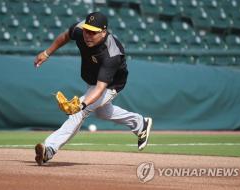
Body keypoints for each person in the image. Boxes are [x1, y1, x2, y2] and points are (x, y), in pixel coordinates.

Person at [33, 12, 152, 165]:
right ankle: (140, 123)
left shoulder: (112, 53)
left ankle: (49, 148)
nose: (87, 35)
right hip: (93, 80)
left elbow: (100, 88)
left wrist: (81, 105)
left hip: (110, 84)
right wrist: (46, 53)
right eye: (86, 30)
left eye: (92, 32)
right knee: (103, 112)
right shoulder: (80, 31)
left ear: (103, 32)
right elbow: (65, 36)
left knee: (81, 111)